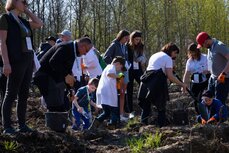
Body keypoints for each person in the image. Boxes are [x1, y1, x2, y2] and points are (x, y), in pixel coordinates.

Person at [0, 0, 43, 134]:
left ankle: (22, 125)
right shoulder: (5, 18)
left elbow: (39, 24)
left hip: (28, 60)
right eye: (22, 1)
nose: (25, 3)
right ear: (13, 2)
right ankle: (7, 126)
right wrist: (6, 63)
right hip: (15, 60)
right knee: (10, 93)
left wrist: (27, 11)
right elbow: (2, 43)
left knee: (24, 94)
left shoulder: (24, 21)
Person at [33, 37, 91, 112]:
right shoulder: (66, 47)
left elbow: (67, 70)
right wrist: (66, 75)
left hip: (53, 77)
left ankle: (58, 121)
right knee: (54, 106)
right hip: (44, 76)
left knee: (59, 104)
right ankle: (54, 122)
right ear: (81, 45)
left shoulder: (73, 51)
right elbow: (53, 62)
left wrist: (70, 90)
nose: (86, 53)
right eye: (86, 50)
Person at [138, 42, 187, 127]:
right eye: (175, 53)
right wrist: (182, 84)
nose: (175, 55)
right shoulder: (168, 58)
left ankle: (143, 124)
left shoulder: (155, 55)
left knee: (147, 103)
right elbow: (170, 76)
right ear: (171, 51)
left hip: (147, 79)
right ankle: (161, 126)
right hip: (157, 80)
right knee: (161, 105)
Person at [89, 56, 127, 129]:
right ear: (118, 64)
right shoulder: (111, 67)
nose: (120, 70)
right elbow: (109, 74)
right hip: (108, 93)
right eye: (121, 68)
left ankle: (95, 124)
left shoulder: (108, 68)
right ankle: (112, 125)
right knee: (114, 110)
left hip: (105, 92)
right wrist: (118, 76)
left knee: (107, 112)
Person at [103, 30, 130, 121]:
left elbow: (125, 58)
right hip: (117, 73)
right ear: (121, 36)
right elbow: (106, 57)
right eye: (126, 38)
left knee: (123, 93)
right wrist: (113, 66)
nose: (127, 40)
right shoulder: (114, 45)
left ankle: (121, 114)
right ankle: (114, 115)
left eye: (128, 38)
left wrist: (127, 63)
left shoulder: (125, 46)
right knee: (116, 93)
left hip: (124, 72)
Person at [196, 32, 229, 105]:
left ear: (206, 41)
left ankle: (221, 116)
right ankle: (211, 116)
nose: (203, 46)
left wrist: (223, 74)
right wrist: (208, 71)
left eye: (202, 44)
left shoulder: (220, 46)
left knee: (219, 103)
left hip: (223, 79)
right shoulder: (210, 47)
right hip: (212, 78)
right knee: (207, 100)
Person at [183, 43, 210, 114]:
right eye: (190, 52)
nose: (192, 54)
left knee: (204, 97)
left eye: (193, 52)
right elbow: (187, 73)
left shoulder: (205, 57)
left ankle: (208, 114)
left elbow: (212, 68)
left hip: (205, 81)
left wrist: (208, 71)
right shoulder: (189, 61)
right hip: (195, 82)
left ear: (197, 51)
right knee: (196, 99)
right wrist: (184, 85)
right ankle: (200, 115)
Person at [126, 30, 146, 114]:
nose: (138, 41)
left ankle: (144, 105)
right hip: (129, 70)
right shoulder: (127, 46)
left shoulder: (141, 46)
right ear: (132, 39)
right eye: (136, 39)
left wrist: (140, 59)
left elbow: (143, 57)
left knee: (144, 84)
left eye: (139, 39)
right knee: (129, 89)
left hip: (138, 69)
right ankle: (129, 110)